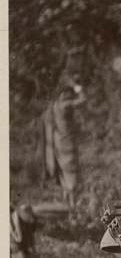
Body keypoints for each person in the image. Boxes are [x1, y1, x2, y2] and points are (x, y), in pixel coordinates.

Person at [42, 78, 85, 208]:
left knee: (65, 175)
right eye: (67, 93)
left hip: (59, 145)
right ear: (62, 94)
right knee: (72, 176)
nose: (70, 96)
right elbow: (83, 99)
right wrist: (77, 86)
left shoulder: (55, 106)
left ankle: (68, 205)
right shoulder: (65, 105)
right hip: (67, 145)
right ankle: (72, 206)